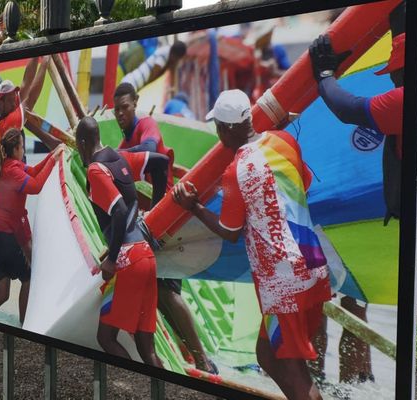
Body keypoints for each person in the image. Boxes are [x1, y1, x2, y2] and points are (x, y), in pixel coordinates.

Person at [172, 89, 331, 400]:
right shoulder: (284, 142)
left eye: (218, 127)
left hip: (285, 281)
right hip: (312, 264)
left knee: (293, 367)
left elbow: (229, 231)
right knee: (266, 355)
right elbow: (303, 183)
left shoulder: (236, 170)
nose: (218, 135)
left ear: (228, 128)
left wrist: (194, 207)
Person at [308, 2, 405, 384]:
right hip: (370, 220)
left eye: (393, 70)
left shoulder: (404, 99)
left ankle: (350, 383)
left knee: (346, 304)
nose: (391, 76)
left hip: (378, 227)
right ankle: (349, 383)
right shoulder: (410, 90)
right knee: (339, 303)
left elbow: (350, 108)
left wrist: (325, 75)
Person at [113, 82, 218, 374]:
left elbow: (147, 149)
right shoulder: (124, 145)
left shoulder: (146, 125)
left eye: (125, 107)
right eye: (117, 110)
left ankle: (202, 361)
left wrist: (114, 156)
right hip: (155, 223)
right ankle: (192, 356)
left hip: (171, 220)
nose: (121, 114)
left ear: (136, 103)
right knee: (160, 290)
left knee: (168, 289)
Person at [75, 116, 163, 368]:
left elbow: (120, 211)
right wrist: (154, 210)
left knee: (105, 337)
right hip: (145, 255)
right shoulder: (120, 157)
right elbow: (161, 162)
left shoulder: (95, 170)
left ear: (82, 143)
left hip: (128, 259)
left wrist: (112, 259)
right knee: (147, 350)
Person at [0, 128, 64, 324]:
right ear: (16, 149)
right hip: (3, 235)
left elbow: (35, 171)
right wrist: (54, 160)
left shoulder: (11, 166)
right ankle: (24, 325)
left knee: (3, 292)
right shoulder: (13, 172)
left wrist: (52, 155)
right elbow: (36, 186)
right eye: (22, 146)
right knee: (28, 279)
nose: (24, 150)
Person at [0, 56, 61, 178]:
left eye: (14, 99)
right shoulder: (9, 122)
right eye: (10, 100)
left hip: (7, 176)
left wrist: (36, 52)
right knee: (27, 110)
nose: (14, 103)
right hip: (8, 182)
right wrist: (45, 63)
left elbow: (25, 84)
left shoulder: (5, 113)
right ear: (1, 102)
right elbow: (32, 97)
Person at [121, 41, 187, 92]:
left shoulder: (167, 51)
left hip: (131, 82)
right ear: (175, 56)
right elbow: (154, 72)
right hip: (132, 83)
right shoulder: (164, 55)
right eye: (177, 59)